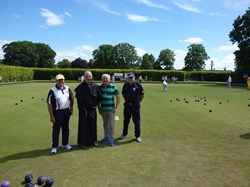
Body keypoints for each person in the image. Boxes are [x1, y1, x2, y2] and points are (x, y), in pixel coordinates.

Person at [46, 74, 74, 154]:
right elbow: (49, 103)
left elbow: (72, 99)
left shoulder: (67, 88)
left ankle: (65, 144)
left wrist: (71, 109)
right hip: (57, 112)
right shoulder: (52, 90)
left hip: (66, 111)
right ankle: (54, 146)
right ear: (56, 81)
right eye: (59, 80)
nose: (61, 81)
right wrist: (51, 116)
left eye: (62, 80)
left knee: (66, 128)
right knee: (56, 130)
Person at [75, 71, 101, 149]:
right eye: (86, 76)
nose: (88, 78)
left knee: (93, 125)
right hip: (83, 110)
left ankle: (93, 141)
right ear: (84, 77)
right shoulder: (80, 87)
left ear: (92, 77)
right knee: (83, 126)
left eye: (89, 76)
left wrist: (97, 107)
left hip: (92, 109)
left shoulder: (95, 86)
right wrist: (81, 108)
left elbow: (99, 97)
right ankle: (82, 143)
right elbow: (78, 99)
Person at [119, 72, 144, 143]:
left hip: (135, 106)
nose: (130, 79)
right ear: (127, 78)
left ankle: (137, 136)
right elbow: (123, 93)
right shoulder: (125, 85)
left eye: (131, 78)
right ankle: (124, 134)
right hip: (127, 105)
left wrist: (138, 102)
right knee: (126, 120)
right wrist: (127, 100)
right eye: (129, 78)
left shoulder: (138, 85)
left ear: (134, 78)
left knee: (136, 121)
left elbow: (142, 95)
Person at [98, 74, 120, 146]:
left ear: (109, 79)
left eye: (106, 78)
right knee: (105, 124)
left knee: (111, 125)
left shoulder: (113, 86)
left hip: (111, 110)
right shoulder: (99, 87)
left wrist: (116, 107)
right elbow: (98, 99)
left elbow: (118, 97)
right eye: (104, 78)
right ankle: (106, 136)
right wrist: (99, 108)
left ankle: (111, 139)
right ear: (102, 79)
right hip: (103, 110)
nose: (105, 80)